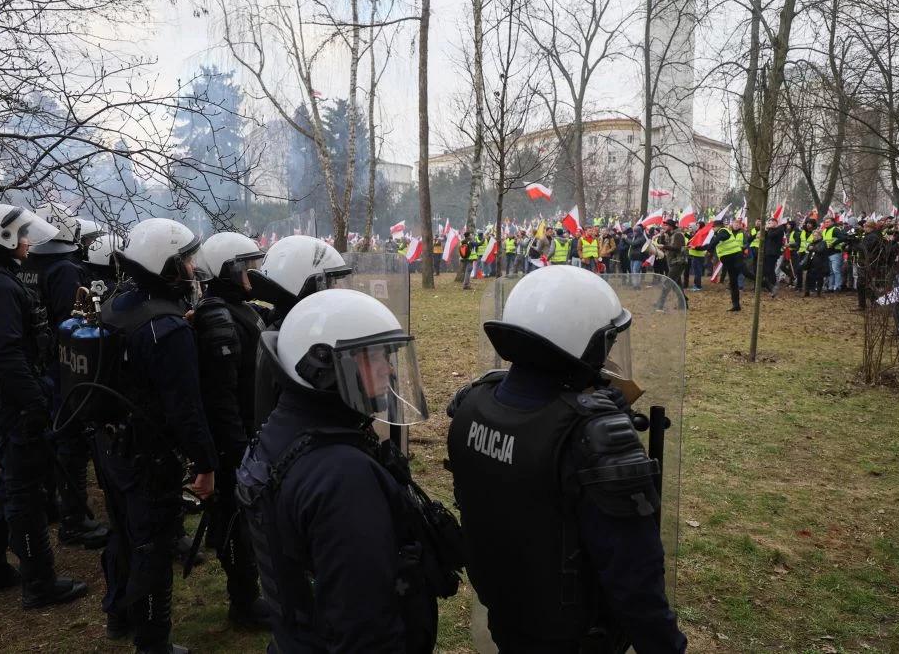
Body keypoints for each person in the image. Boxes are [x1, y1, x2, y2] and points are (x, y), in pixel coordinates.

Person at [446, 266, 686, 653]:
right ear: (582, 342)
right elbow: (633, 573)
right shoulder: (592, 437)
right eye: (607, 343)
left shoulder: (472, 405)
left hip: (508, 613)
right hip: (576, 634)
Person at [237, 288, 443, 653]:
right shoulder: (343, 477)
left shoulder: (282, 429)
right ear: (321, 367)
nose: (389, 369)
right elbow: (364, 627)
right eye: (374, 356)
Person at [91, 218, 217, 653]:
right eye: (186, 259)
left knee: (122, 533)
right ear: (166, 266)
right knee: (153, 545)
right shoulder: (169, 331)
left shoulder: (118, 302)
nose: (192, 266)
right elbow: (187, 409)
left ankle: (117, 615)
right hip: (148, 456)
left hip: (109, 445)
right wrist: (205, 464)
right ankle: (152, 642)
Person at [0, 204, 88, 609]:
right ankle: (39, 582)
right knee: (26, 491)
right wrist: (34, 405)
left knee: (11, 480)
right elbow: (7, 354)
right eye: (22, 235)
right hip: (9, 396)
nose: (28, 242)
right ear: (4, 238)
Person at [190, 232, 271, 628]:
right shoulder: (218, 316)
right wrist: (238, 450)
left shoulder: (237, 308)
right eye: (245, 268)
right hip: (233, 437)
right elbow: (220, 397)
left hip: (248, 431)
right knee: (236, 520)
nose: (251, 276)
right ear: (225, 271)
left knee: (241, 516)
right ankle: (243, 601)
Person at [26, 205, 109, 549]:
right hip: (61, 366)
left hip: (40, 362)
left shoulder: (30, 266)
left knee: (53, 438)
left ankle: (55, 506)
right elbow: (71, 322)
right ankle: (75, 520)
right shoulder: (63, 270)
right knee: (71, 441)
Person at [248, 235, 354, 432]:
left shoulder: (282, 329)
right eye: (331, 281)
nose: (338, 289)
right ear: (304, 287)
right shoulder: (296, 343)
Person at [706, 218, 752, 311]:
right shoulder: (716, 235)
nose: (712, 229)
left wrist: (709, 250)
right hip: (729, 261)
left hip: (736, 256)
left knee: (746, 273)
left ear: (718, 226)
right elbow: (710, 244)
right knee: (733, 283)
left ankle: (765, 283)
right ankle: (736, 305)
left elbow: (718, 240)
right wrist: (696, 247)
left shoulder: (723, 231)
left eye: (713, 227)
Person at [654, 220, 687, 311]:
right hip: (673, 262)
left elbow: (677, 248)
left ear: (671, 226)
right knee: (677, 284)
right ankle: (684, 302)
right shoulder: (670, 235)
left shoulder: (678, 235)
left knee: (668, 283)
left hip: (679, 262)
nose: (663, 227)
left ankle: (660, 304)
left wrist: (664, 247)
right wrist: (661, 235)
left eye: (665, 225)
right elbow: (663, 243)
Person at [760, 219, 786, 297]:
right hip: (767, 253)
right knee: (767, 270)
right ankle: (770, 286)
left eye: (770, 223)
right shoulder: (771, 230)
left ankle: (774, 286)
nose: (769, 224)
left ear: (775, 223)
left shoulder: (779, 230)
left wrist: (769, 228)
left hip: (773, 253)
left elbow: (771, 235)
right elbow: (765, 237)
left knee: (770, 270)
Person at [803, 231, 829, 298]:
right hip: (811, 263)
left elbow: (821, 250)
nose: (814, 237)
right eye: (814, 235)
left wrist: (813, 248)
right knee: (808, 277)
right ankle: (807, 291)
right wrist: (811, 248)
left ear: (820, 236)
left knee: (819, 278)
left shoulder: (823, 242)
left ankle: (818, 292)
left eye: (816, 235)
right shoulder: (812, 243)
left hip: (820, 263)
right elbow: (807, 248)